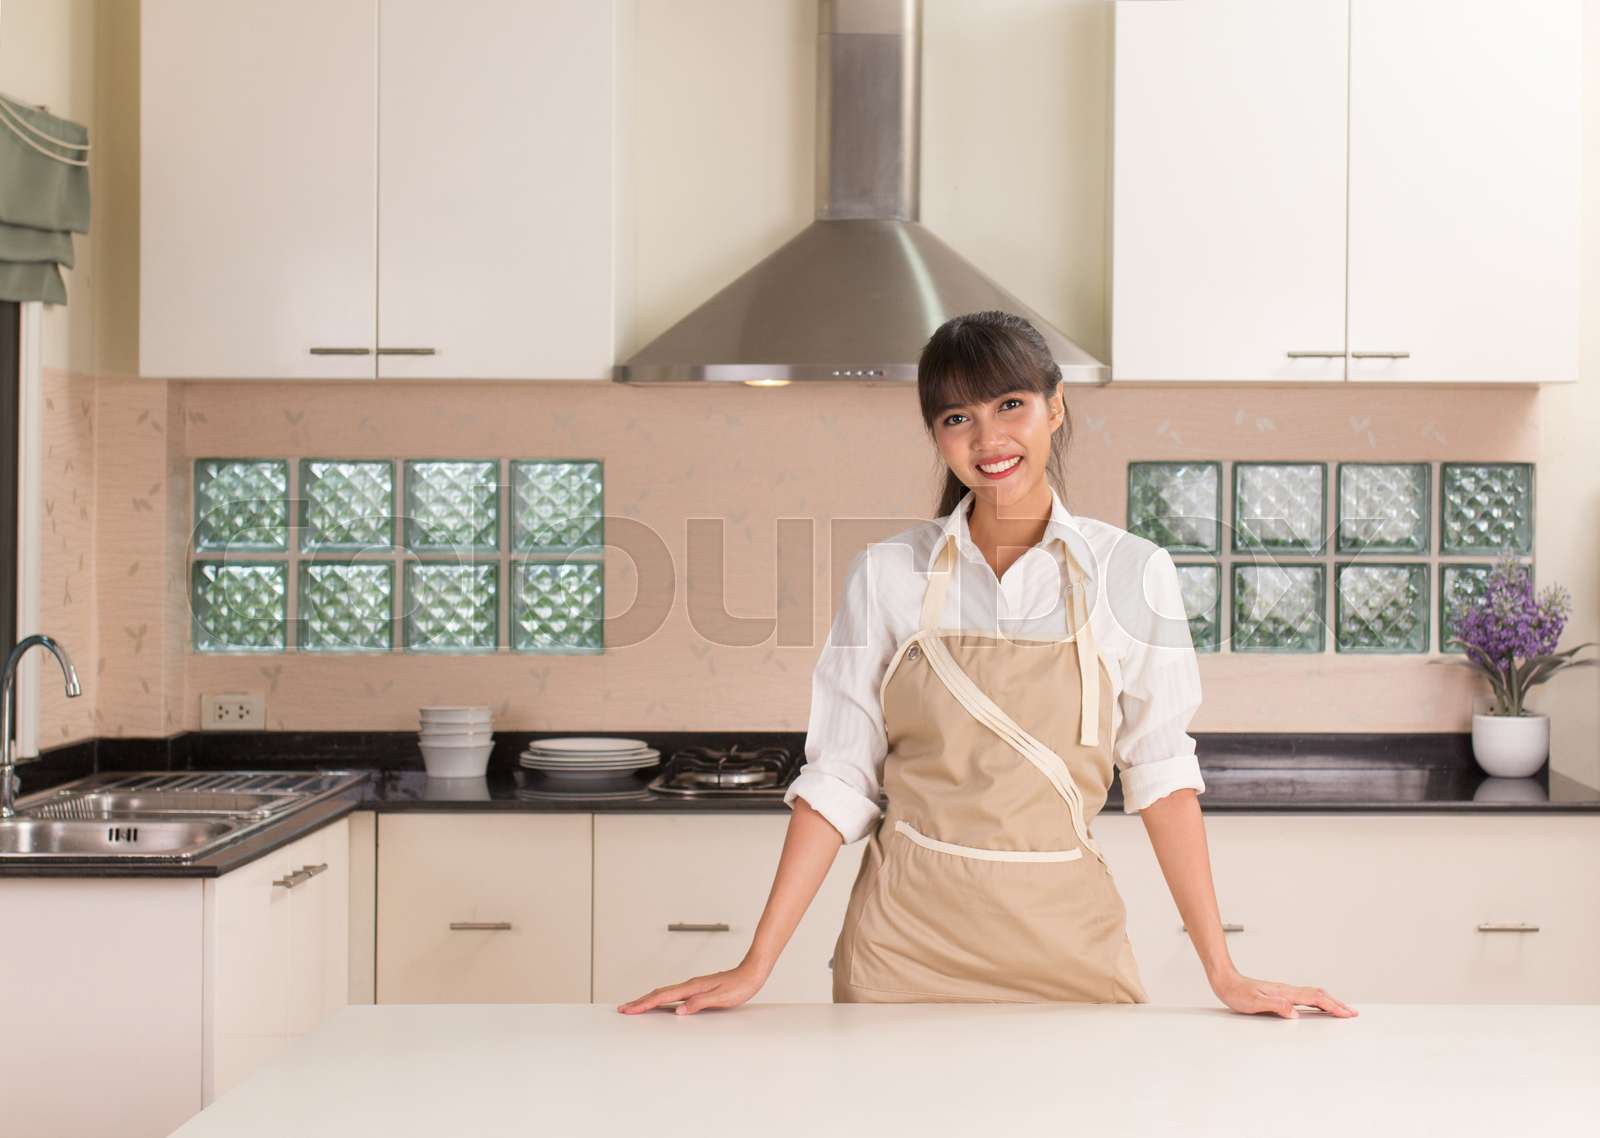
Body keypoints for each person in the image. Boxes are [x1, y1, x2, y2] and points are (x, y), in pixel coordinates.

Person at [618, 310, 1357, 1019]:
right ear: (937, 437)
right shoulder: (887, 575)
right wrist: (757, 964)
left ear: (1055, 408)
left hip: (1067, 946)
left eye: (1010, 405)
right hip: (903, 951)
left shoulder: (1133, 572)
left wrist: (1222, 973)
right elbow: (841, 777)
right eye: (956, 418)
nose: (989, 437)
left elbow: (1161, 777)